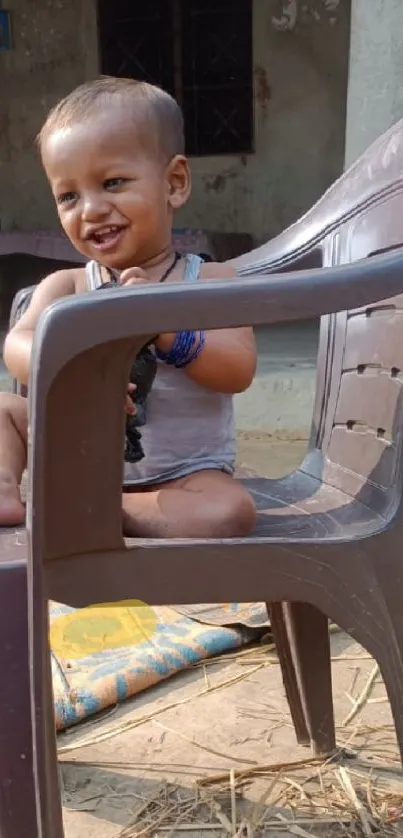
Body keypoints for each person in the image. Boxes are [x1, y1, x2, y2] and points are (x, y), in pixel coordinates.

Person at [0, 76, 257, 538]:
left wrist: (165, 328)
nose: (91, 209)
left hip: (185, 476)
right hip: (80, 464)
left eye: (112, 183)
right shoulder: (68, 285)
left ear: (174, 183)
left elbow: (239, 368)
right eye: (69, 196)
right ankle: (5, 489)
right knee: (2, 410)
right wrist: (72, 360)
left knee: (231, 512)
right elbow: (17, 345)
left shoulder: (211, 283)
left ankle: (106, 512)